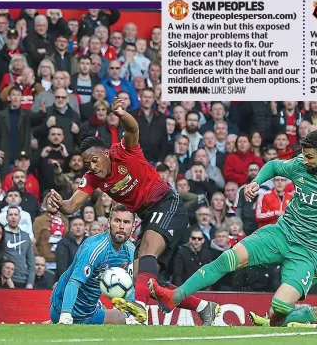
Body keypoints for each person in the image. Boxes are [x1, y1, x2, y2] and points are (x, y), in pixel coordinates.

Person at [150, 130, 317, 327]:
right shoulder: (301, 164)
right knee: (227, 259)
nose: (304, 159)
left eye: (309, 156)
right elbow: (274, 166)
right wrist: (256, 182)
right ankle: (175, 297)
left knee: (279, 307)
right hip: (281, 233)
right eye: (303, 155)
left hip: (309, 253)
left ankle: (278, 323)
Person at [48, 98, 219, 326]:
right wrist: (59, 203)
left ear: (107, 154)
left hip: (167, 203)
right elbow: (70, 206)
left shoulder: (124, 152)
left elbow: (133, 128)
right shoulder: (92, 178)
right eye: (87, 164)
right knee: (143, 279)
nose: (92, 167)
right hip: (150, 216)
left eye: (95, 161)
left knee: (147, 250)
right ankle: (203, 307)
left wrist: (121, 114)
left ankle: (137, 307)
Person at [50, 204, 140, 325]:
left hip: (90, 312)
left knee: (123, 319)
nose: (121, 226)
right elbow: (74, 282)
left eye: (127, 222)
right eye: (117, 221)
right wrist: (65, 315)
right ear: (109, 223)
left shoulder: (130, 251)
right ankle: (57, 320)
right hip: (61, 308)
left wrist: (132, 316)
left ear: (133, 226)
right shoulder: (94, 247)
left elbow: (128, 287)